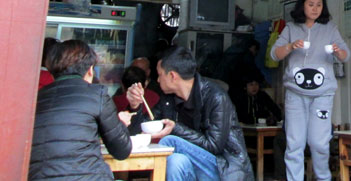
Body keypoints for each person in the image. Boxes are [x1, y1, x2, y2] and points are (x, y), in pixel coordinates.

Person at [126, 45, 254, 181]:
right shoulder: (167, 99)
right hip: (194, 167)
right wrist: (135, 107)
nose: (157, 80)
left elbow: (214, 146)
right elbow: (140, 130)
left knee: (170, 141)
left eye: (159, 75)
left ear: (172, 76)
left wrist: (175, 128)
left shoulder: (216, 97)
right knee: (175, 161)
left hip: (225, 169)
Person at [270, 0, 350, 181]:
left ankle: (323, 178)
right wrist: (290, 46)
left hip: (323, 94)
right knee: (294, 142)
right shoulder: (291, 28)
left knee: (319, 142)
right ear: (302, 6)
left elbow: (346, 55)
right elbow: (275, 54)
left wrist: (337, 51)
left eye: (319, 5)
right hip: (295, 95)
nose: (315, 8)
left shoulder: (330, 28)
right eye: (311, 4)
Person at [30, 39, 134, 180]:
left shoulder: (36, 98)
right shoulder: (98, 94)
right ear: (90, 70)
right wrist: (120, 123)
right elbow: (122, 150)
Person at [232, 77, 286, 180]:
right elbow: (239, 117)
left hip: (265, 132)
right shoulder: (240, 98)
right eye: (251, 84)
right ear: (245, 87)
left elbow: (276, 112)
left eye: (256, 84)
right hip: (246, 134)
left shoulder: (262, 96)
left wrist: (271, 118)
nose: (254, 87)